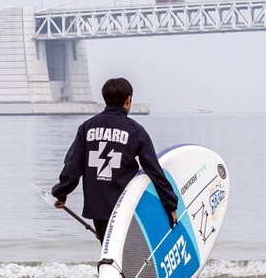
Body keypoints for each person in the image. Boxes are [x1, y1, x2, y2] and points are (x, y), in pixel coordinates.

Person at [51, 77, 179, 242]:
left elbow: (72, 166)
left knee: (107, 248)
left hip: (97, 206)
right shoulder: (136, 131)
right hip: (124, 205)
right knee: (124, 251)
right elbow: (154, 170)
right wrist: (171, 205)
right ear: (128, 99)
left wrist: (60, 193)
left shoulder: (86, 127)